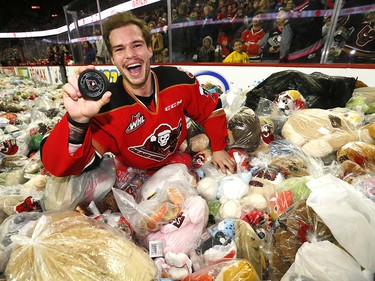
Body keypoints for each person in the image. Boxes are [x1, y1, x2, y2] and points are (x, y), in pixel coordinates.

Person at [40, 11, 236, 177]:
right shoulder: (105, 106)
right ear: (113, 59)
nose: (129, 54)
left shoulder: (177, 79)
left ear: (150, 49)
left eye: (137, 45)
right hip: (133, 173)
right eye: (119, 49)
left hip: (179, 158)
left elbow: (210, 109)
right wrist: (77, 122)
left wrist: (218, 148)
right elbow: (61, 167)